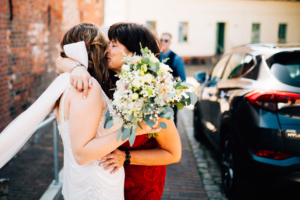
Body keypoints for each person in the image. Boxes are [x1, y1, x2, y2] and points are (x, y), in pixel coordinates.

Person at [55, 22, 182, 200]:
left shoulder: (151, 96)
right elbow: (59, 60)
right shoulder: (109, 84)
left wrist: (127, 157)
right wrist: (77, 67)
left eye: (113, 45)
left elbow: (174, 153)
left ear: (134, 55)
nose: (106, 49)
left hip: (141, 184)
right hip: (108, 181)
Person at [159, 32, 186, 126]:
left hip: (171, 97)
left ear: (170, 42)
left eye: (166, 40)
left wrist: (176, 94)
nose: (163, 42)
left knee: (171, 122)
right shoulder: (156, 56)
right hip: (157, 96)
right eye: (161, 40)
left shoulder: (176, 58)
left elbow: (183, 79)